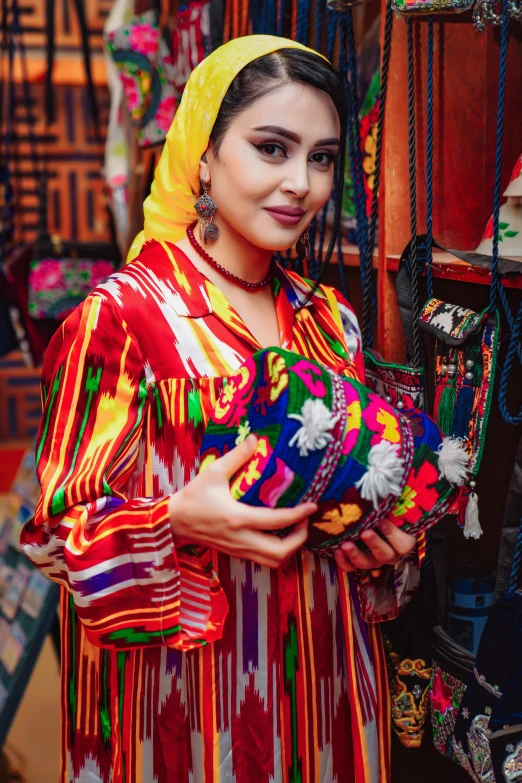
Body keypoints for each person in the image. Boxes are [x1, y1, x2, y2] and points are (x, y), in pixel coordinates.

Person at [21, 35, 422, 783]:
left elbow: (350, 495)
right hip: (187, 716)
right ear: (204, 155)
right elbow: (52, 541)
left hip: (328, 696)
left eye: (323, 157)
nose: (301, 183)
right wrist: (171, 522)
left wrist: (386, 543)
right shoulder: (126, 318)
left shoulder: (331, 322)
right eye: (272, 148)